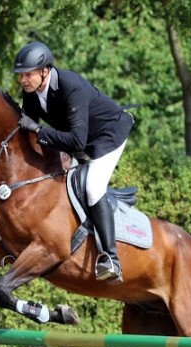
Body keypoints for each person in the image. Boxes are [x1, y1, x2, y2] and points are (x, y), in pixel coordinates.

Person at [13, 41, 134, 283]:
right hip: (79, 139)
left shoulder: (71, 87)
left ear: (45, 71)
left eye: (28, 75)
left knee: (92, 187)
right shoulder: (32, 93)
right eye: (20, 76)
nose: (23, 80)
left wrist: (38, 130)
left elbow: (76, 141)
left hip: (108, 136)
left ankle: (111, 259)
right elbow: (27, 128)